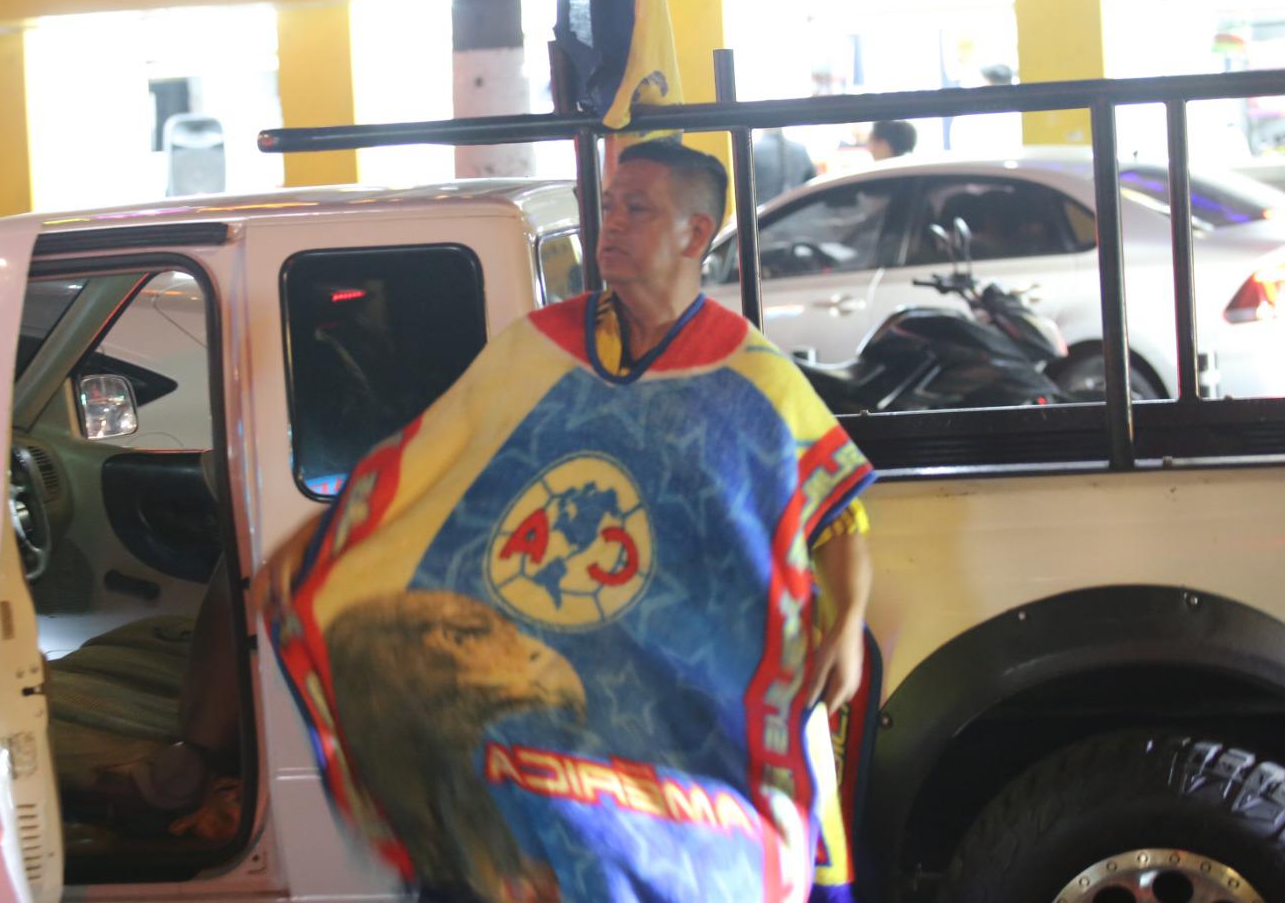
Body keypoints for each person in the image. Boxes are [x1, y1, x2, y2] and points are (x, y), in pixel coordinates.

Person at [262, 139, 875, 903]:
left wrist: (846, 623)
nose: (610, 223)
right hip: (545, 712)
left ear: (694, 233)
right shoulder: (537, 349)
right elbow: (423, 469)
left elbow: (836, 517)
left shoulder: (753, 381)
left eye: (637, 208)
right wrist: (317, 550)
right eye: (607, 205)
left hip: (685, 703)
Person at [753, 128, 818, 205]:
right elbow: (812, 184)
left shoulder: (753, 151)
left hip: (762, 213)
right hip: (793, 212)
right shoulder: (801, 150)